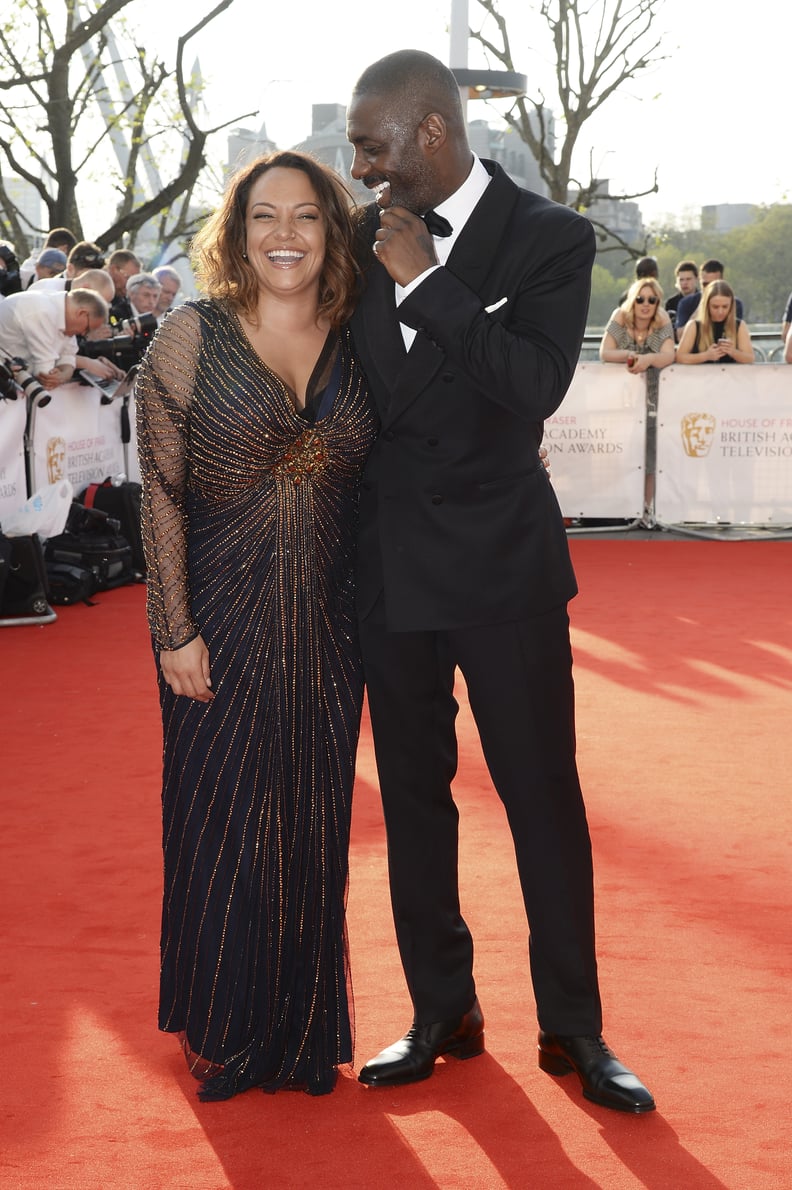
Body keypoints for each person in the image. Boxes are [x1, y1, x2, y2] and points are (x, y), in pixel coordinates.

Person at [345, 49, 655, 1115]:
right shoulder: (354, 241)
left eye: (373, 145)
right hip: (386, 564)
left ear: (432, 131)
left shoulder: (551, 237)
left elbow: (534, 382)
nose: (363, 169)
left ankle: (575, 1027)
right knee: (417, 807)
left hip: (502, 561)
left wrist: (425, 285)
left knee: (541, 797)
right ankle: (443, 1011)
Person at [135, 150, 378, 1100]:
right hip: (219, 625)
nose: (286, 235)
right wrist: (173, 628)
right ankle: (227, 1031)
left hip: (328, 626)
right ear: (237, 233)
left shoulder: (361, 341)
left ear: (333, 231)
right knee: (221, 821)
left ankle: (304, 1030)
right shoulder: (190, 337)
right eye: (264, 216)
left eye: (307, 216)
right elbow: (158, 493)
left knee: (313, 824)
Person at [0, 286, 108, 388]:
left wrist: (62, 376)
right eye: (87, 328)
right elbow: (44, 374)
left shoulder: (65, 316)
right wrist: (57, 376)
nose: (84, 334)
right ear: (81, 313)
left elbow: (69, 359)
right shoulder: (44, 311)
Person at [599, 277, 675, 373]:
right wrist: (629, 355)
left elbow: (669, 355)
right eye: (640, 299)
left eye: (651, 300)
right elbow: (605, 353)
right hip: (618, 379)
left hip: (654, 382)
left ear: (657, 303)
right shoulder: (620, 315)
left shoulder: (663, 318)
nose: (646, 304)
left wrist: (649, 359)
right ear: (632, 301)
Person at [676, 280, 754, 364]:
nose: (720, 311)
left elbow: (750, 358)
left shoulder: (739, 326)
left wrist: (733, 352)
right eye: (715, 307)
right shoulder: (694, 326)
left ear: (731, 305)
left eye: (725, 307)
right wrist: (705, 356)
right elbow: (680, 357)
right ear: (707, 305)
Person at [675, 258, 743, 341]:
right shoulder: (687, 303)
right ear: (699, 281)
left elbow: (734, 336)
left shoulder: (734, 303)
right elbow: (680, 337)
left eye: (713, 284)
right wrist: (702, 307)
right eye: (705, 284)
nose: (709, 288)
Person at [665, 260, 699, 328]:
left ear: (696, 279)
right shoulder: (671, 303)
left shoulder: (702, 300)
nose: (684, 283)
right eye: (681, 280)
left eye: (688, 279)